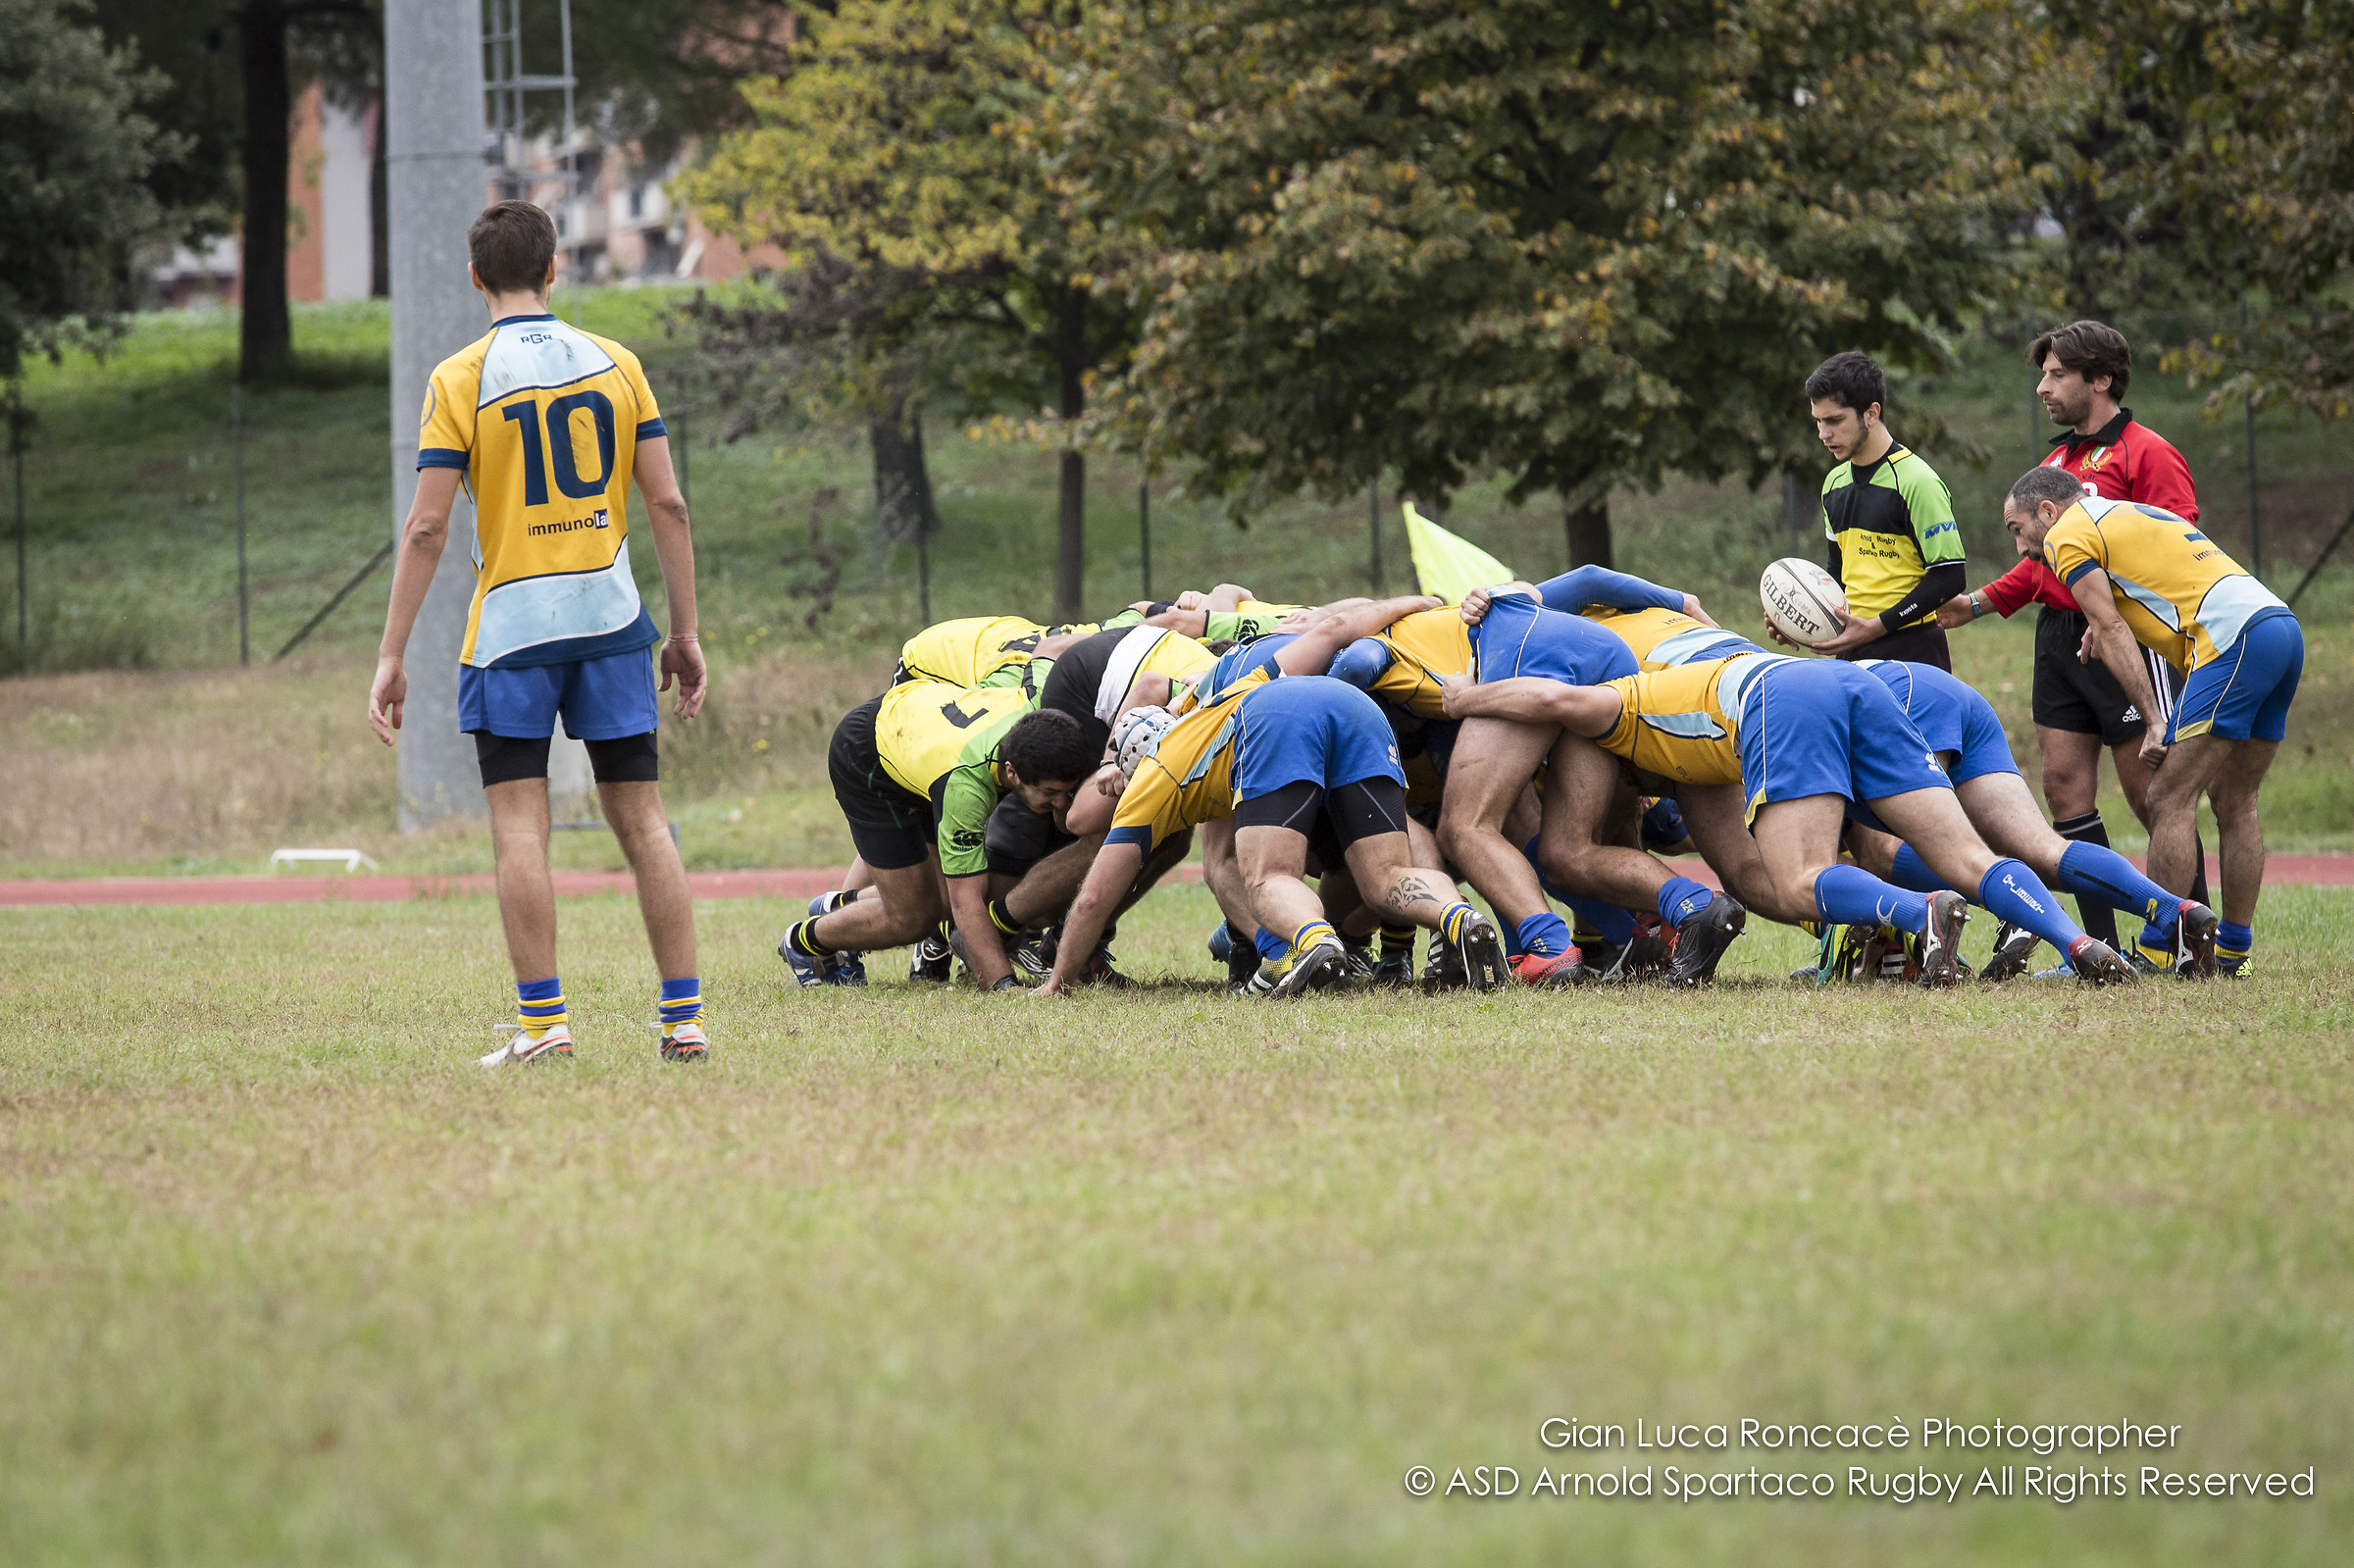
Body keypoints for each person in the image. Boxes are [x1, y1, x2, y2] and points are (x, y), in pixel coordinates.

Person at [368, 200, 709, 1066]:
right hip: (611, 621)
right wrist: (684, 632)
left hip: (512, 631)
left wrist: (392, 651)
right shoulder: (617, 362)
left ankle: (544, 1026)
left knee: (520, 829)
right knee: (645, 820)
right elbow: (667, 502)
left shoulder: (459, 377)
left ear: (475, 276)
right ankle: (684, 1020)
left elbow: (426, 529)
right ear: (556, 269)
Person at [1442, 652, 2138, 986]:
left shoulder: (1621, 704)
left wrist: (1467, 697)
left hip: (1780, 696)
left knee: (1806, 875)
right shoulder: (1694, 763)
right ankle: (2078, 946)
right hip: (1845, 683)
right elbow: (1744, 875)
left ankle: (1920, 912)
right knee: (1969, 855)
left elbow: (1554, 699)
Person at [1933, 320, 2208, 962]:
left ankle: (2191, 937)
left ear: (2101, 379)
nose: (2042, 388)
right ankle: (2099, 943)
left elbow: (2178, 548)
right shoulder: (2055, 465)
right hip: (2059, 640)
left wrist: (2117, 614)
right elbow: (2038, 564)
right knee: (2062, 789)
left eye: (2057, 374)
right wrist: (1974, 603)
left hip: (2120, 636)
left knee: (2153, 794)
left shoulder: (2148, 452)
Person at [1037, 667, 1504, 998]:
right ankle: (1460, 920)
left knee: (1268, 877)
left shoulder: (1152, 780)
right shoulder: (1198, 720)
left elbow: (1095, 898)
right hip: (1353, 704)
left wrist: (1057, 982)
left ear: (1133, 769)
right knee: (1386, 875)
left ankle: (1315, 941)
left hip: (1276, 718)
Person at [2005, 465, 2302, 975]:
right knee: (2236, 800)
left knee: (2167, 795)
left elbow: (2111, 625)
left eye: (2018, 529)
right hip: (2279, 625)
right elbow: (2153, 583)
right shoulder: (2121, 512)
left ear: (2047, 512)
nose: (2022, 549)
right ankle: (2232, 953)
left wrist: (2153, 719)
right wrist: (2108, 621)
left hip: (2232, 640)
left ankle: (2157, 951)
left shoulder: (2066, 535)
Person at [1844, 658, 2219, 980]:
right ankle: (2175, 910)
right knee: (2043, 849)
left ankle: (2045, 923)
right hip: (1942, 692)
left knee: (1883, 851)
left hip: (1900, 701)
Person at [781, 684, 1102, 989]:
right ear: (1011, 772)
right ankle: (803, 943)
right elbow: (967, 901)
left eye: (1066, 792)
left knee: (946, 902)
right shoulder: (966, 789)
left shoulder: (1038, 717)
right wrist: (1004, 985)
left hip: (921, 735)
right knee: (914, 916)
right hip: (868, 754)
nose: (1060, 802)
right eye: (1049, 793)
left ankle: (837, 905)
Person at [1786, 351, 1965, 670]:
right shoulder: (1834, 484)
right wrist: (1798, 615)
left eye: (1834, 420)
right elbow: (1837, 574)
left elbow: (1949, 576)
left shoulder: (1917, 481)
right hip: (1852, 651)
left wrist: (1878, 626)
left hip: (1914, 651)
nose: (1823, 434)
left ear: (1871, 413)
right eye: (1818, 421)